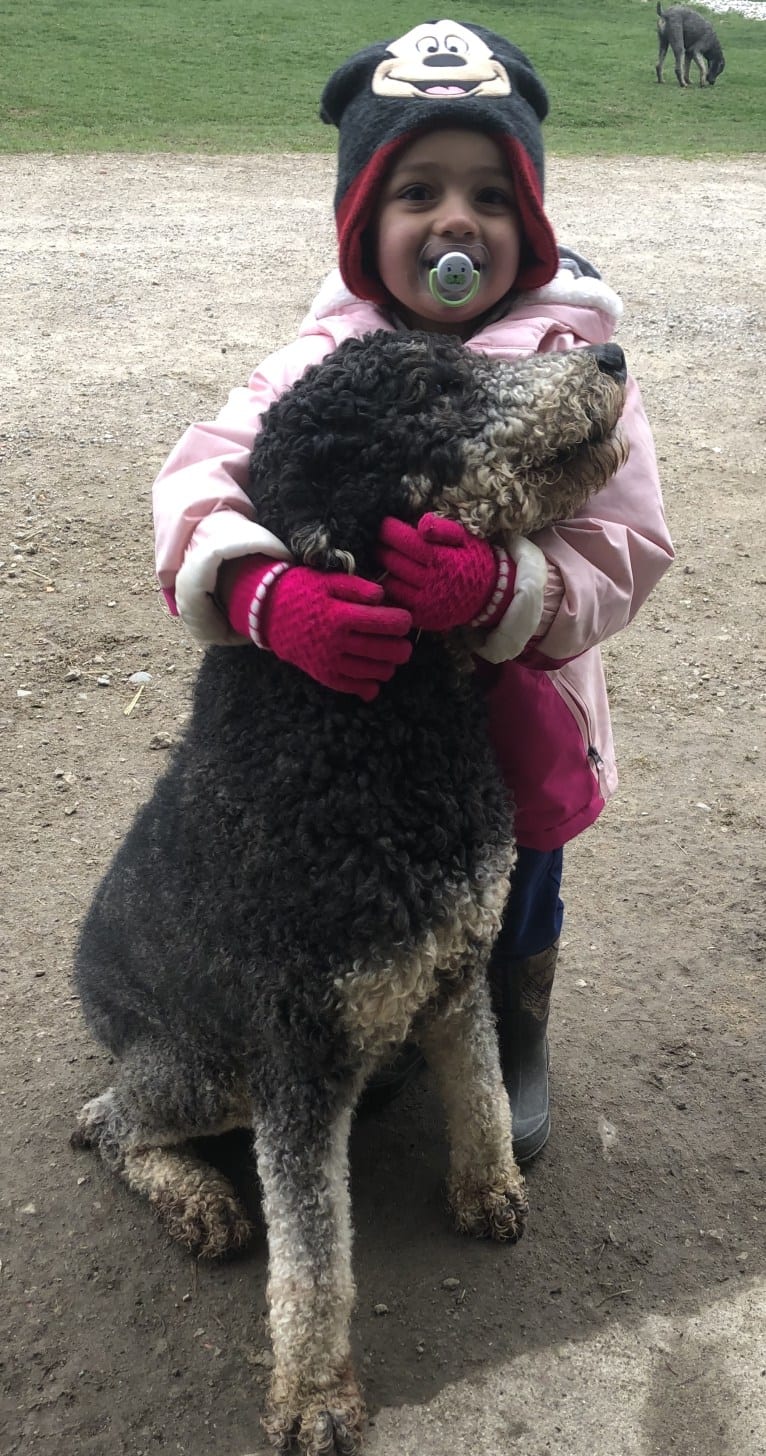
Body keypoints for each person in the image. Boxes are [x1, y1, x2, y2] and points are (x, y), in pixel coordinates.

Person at [152, 19, 674, 1161]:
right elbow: (197, 474)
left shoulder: (576, 366)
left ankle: (512, 1013)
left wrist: (501, 590)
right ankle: (373, 1009)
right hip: (367, 701)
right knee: (353, 856)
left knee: (527, 849)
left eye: (491, 197)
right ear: (363, 227)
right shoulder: (318, 356)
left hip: (516, 704)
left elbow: (626, 548)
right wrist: (260, 594)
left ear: (529, 228)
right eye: (417, 192)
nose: (455, 221)